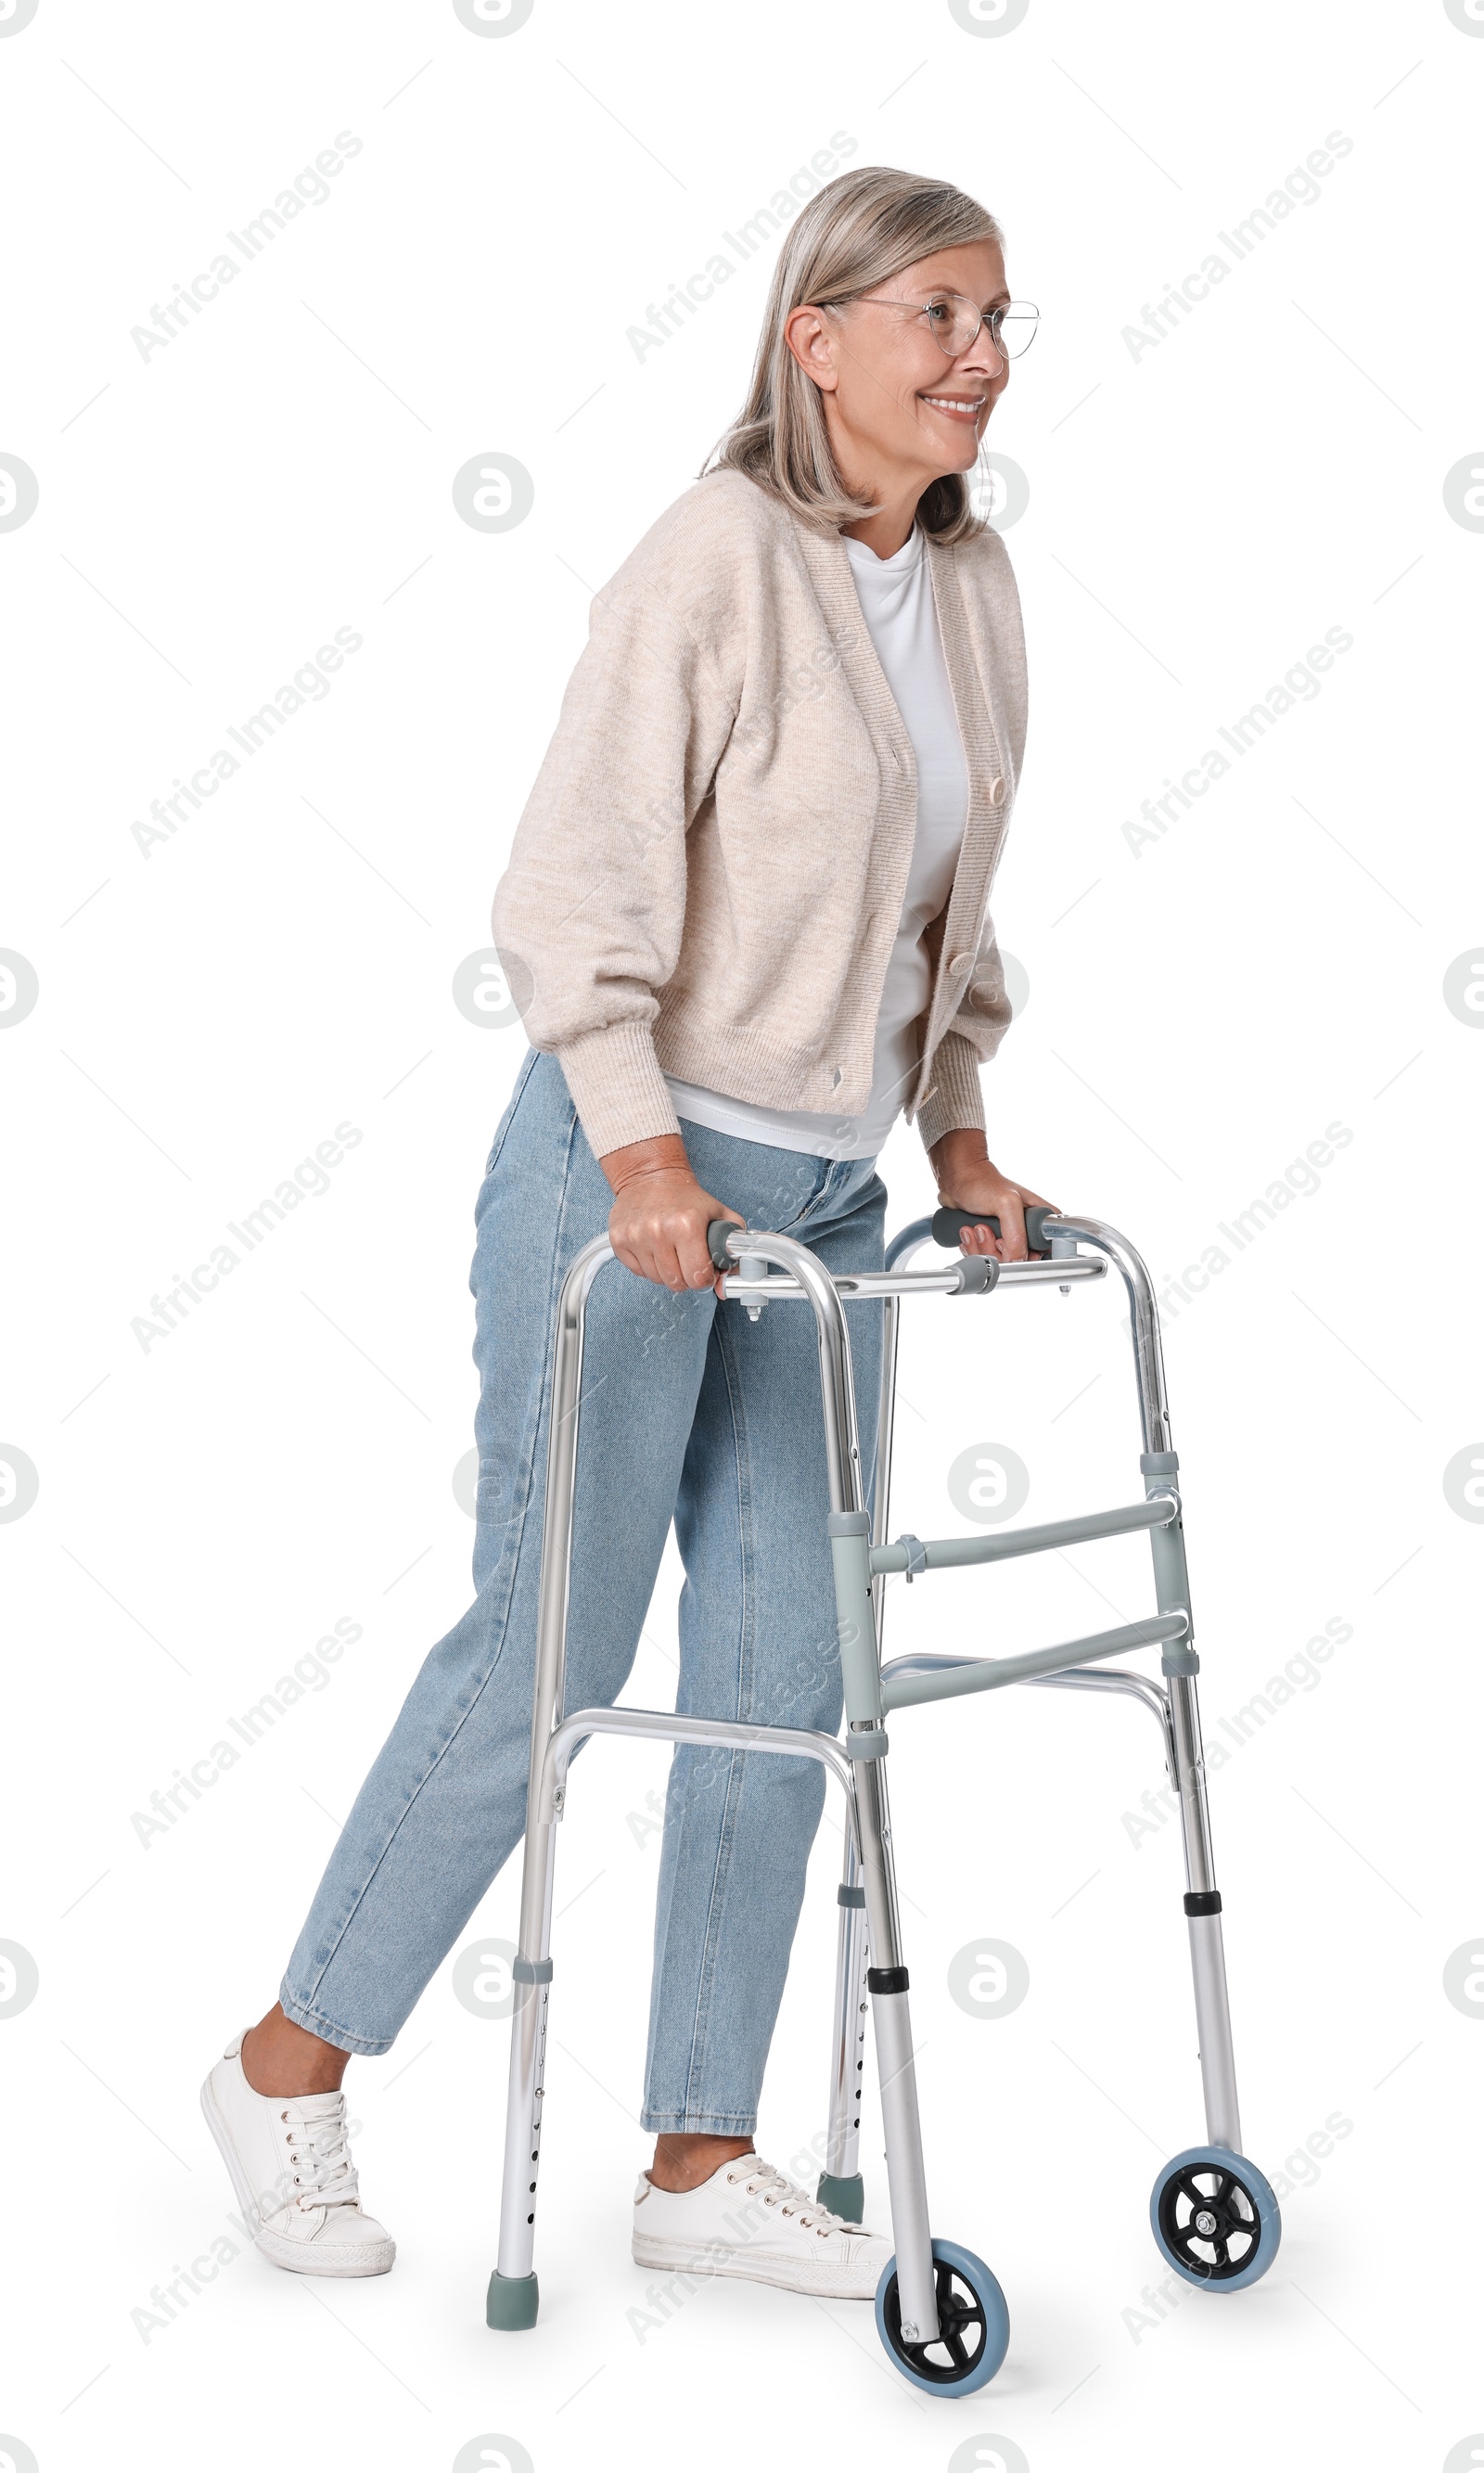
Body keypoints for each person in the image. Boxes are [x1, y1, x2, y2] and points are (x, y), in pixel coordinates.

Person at [202, 162, 1052, 2301]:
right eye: (936, 316)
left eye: (996, 318)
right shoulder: (708, 563)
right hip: (627, 1181)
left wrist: (957, 1140)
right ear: (816, 337)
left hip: (827, 1209)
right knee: (552, 1648)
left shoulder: (971, 588)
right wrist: (639, 1152)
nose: (977, 358)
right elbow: (568, 900)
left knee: (781, 1671)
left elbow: (939, 925)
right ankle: (285, 2065)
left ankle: (694, 2161)